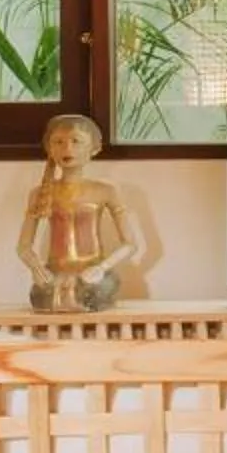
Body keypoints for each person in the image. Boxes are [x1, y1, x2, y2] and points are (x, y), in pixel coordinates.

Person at [16, 113, 138, 312]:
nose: (67, 148)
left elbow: (130, 243)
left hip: (94, 275)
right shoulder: (39, 193)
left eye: (76, 141)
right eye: (59, 142)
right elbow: (23, 246)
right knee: (42, 296)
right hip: (54, 275)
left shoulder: (105, 190)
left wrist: (102, 268)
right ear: (49, 148)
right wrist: (36, 268)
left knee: (96, 293)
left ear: (95, 148)